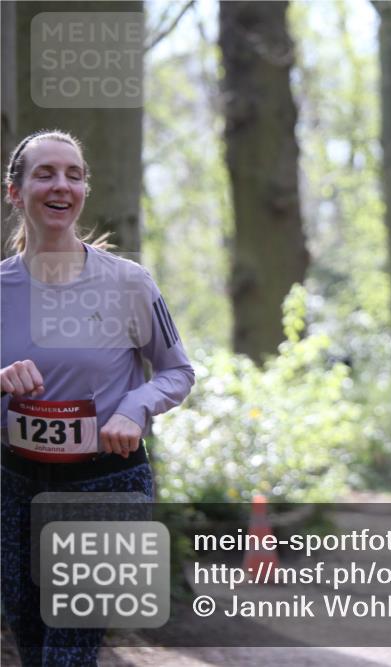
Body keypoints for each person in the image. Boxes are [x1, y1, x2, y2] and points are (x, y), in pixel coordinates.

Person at [1, 130, 195, 666]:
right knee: (33, 645)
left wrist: (134, 408)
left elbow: (178, 372)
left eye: (74, 174)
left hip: (107, 480)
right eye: (45, 173)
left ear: (84, 189)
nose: (61, 185)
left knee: (70, 648)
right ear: (15, 193)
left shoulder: (129, 284)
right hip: (15, 483)